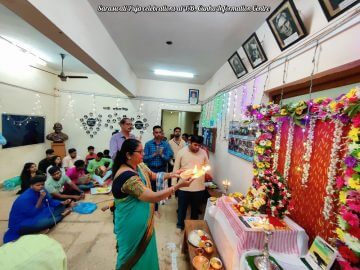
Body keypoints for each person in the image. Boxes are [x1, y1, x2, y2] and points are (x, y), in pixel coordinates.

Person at [111, 138, 194, 269]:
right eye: (140, 152)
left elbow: (153, 175)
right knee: (131, 256)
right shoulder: (127, 178)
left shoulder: (139, 165)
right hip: (132, 225)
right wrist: (178, 186)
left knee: (146, 253)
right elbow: (153, 197)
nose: (143, 154)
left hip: (144, 222)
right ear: (128, 155)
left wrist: (174, 174)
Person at [3, 175, 75, 243]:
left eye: (42, 184)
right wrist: (41, 198)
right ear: (31, 186)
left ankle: (57, 215)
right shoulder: (24, 198)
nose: (41, 187)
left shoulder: (43, 190)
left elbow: (50, 201)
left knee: (60, 206)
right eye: (38, 185)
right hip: (24, 221)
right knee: (48, 222)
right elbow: (32, 213)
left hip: (40, 212)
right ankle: (62, 215)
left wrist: (63, 202)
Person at [172, 135, 210, 231]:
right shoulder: (182, 152)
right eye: (195, 145)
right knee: (182, 208)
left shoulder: (203, 152)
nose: (197, 147)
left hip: (198, 186)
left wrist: (205, 171)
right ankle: (180, 225)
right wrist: (173, 185)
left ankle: (193, 227)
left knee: (195, 209)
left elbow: (207, 166)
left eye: (199, 146)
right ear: (190, 142)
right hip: (183, 186)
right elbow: (175, 169)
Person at [144, 126, 173, 216]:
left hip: (162, 169)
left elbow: (168, 158)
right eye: (156, 132)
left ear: (162, 133)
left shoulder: (166, 144)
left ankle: (156, 209)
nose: (158, 134)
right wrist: (154, 154)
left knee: (159, 189)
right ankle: (152, 208)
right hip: (150, 169)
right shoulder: (148, 144)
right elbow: (144, 159)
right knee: (150, 189)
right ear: (153, 133)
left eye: (159, 132)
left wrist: (161, 155)